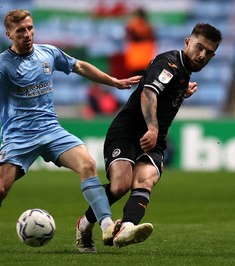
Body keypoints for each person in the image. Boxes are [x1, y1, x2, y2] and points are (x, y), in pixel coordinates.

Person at [0, 9, 145, 253]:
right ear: (9, 34)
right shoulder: (2, 64)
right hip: (19, 137)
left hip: (51, 130)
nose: (27, 34)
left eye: (30, 28)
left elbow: (78, 66)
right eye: (20, 31)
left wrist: (113, 81)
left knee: (88, 165)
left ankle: (106, 225)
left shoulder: (47, 52)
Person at [76, 23, 222, 253]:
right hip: (128, 131)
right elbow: (149, 92)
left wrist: (180, 94)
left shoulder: (183, 74)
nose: (202, 55)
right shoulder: (169, 63)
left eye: (209, 52)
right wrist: (152, 128)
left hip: (155, 139)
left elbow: (163, 94)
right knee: (120, 185)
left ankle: (126, 228)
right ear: (187, 42)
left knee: (145, 180)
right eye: (199, 47)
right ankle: (84, 225)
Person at [124, 8, 157, 76]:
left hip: (138, 56)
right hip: (145, 56)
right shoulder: (149, 26)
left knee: (138, 78)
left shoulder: (134, 26)